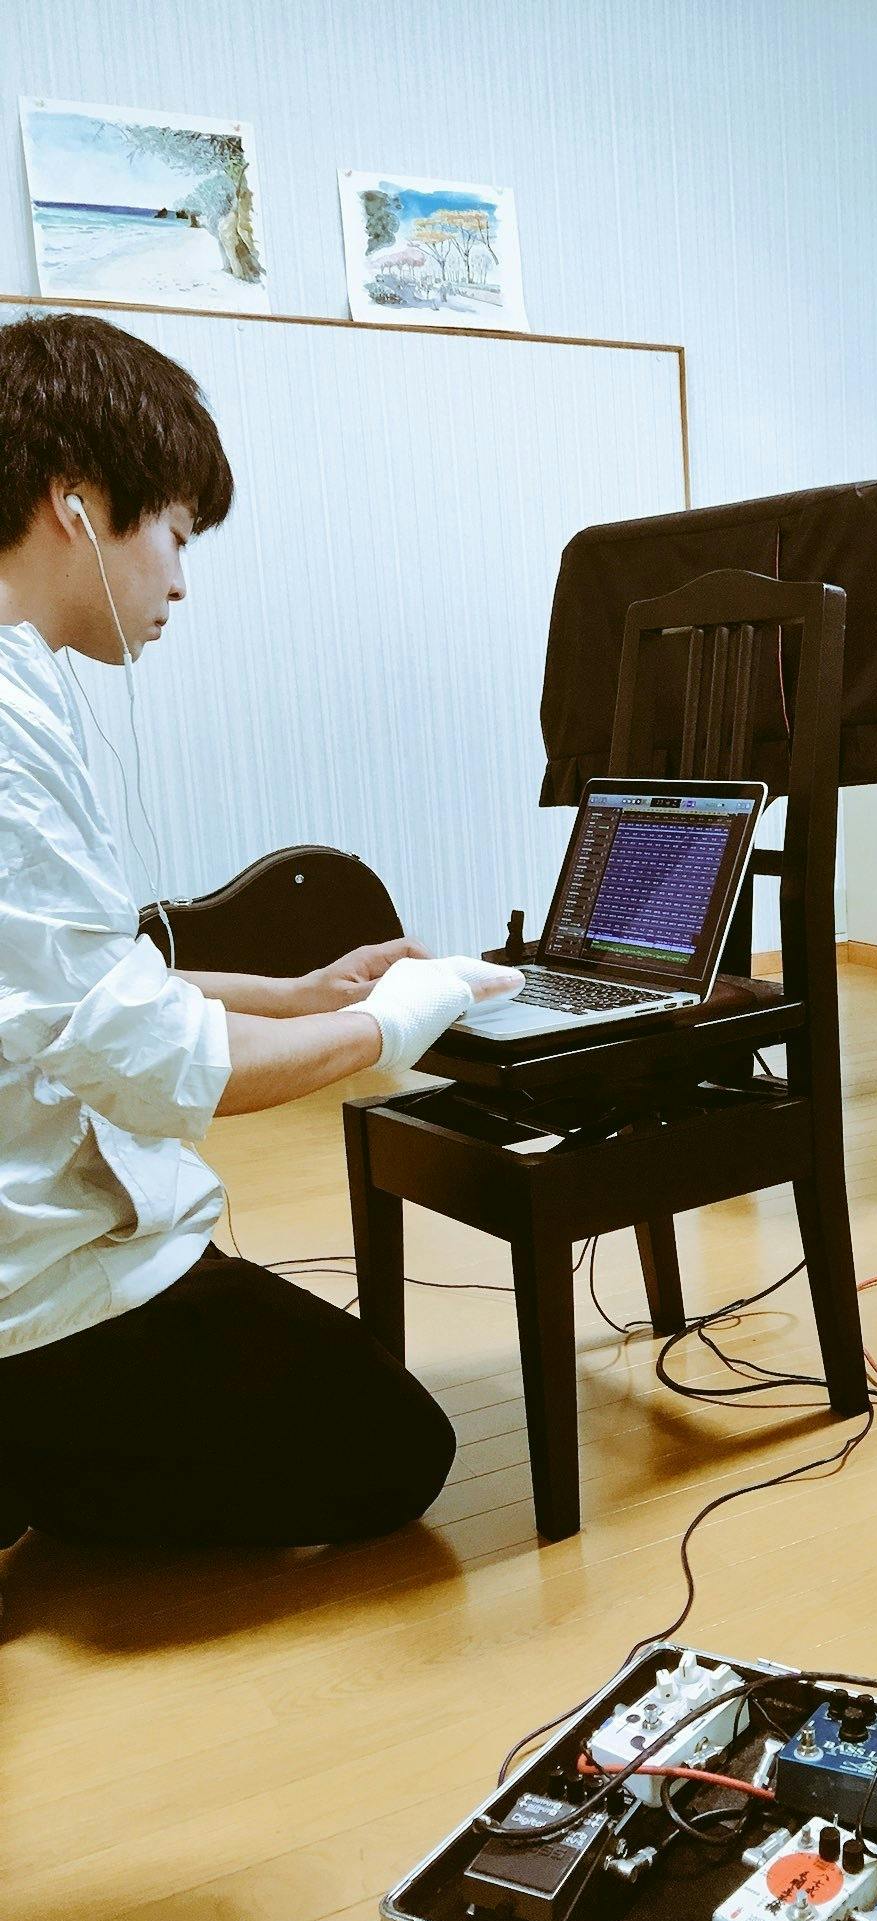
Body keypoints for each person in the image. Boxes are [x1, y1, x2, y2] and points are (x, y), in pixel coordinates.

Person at [0, 312, 520, 1551]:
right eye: (177, 535)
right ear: (78, 503)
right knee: (398, 1452)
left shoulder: (25, 684)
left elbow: (70, 976)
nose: (181, 579)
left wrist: (296, 994)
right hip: (31, 1298)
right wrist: (393, 1020)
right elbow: (146, 1057)